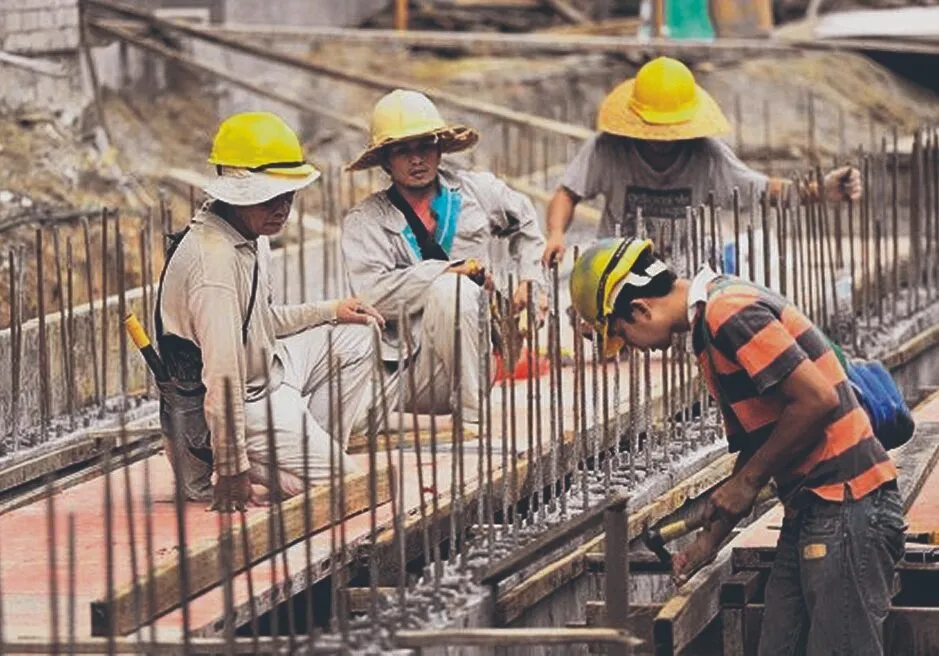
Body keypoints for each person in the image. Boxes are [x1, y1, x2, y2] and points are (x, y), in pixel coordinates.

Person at [569, 238, 905, 655]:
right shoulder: (710, 330)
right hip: (813, 508)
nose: (633, 348)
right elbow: (764, 440)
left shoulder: (728, 311)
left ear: (640, 309)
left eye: (623, 334)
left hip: (847, 504)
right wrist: (709, 540)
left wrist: (746, 483)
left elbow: (818, 401)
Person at [157, 111, 383, 512]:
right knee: (349, 490)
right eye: (269, 196)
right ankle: (251, 459)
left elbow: (259, 321)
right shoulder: (214, 264)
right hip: (233, 403)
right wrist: (231, 469)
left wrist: (331, 310)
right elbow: (221, 375)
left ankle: (307, 447)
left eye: (288, 195)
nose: (282, 208)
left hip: (267, 375)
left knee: (358, 335)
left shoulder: (250, 231)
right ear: (236, 192)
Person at [341, 89, 545, 428]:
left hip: (472, 361)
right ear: (385, 161)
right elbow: (372, 294)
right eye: (402, 151)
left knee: (456, 293)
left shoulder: (477, 191)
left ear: (439, 148)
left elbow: (525, 221)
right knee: (338, 419)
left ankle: (471, 421)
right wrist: (447, 271)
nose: (416, 159)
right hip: (403, 368)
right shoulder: (366, 221)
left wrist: (529, 279)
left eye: (424, 146)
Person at [542, 56, 863, 266]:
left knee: (698, 313)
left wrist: (819, 191)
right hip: (617, 265)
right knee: (594, 316)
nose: (663, 138)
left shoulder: (707, 155)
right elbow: (567, 192)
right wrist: (556, 233)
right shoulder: (607, 149)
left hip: (683, 267)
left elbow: (763, 190)